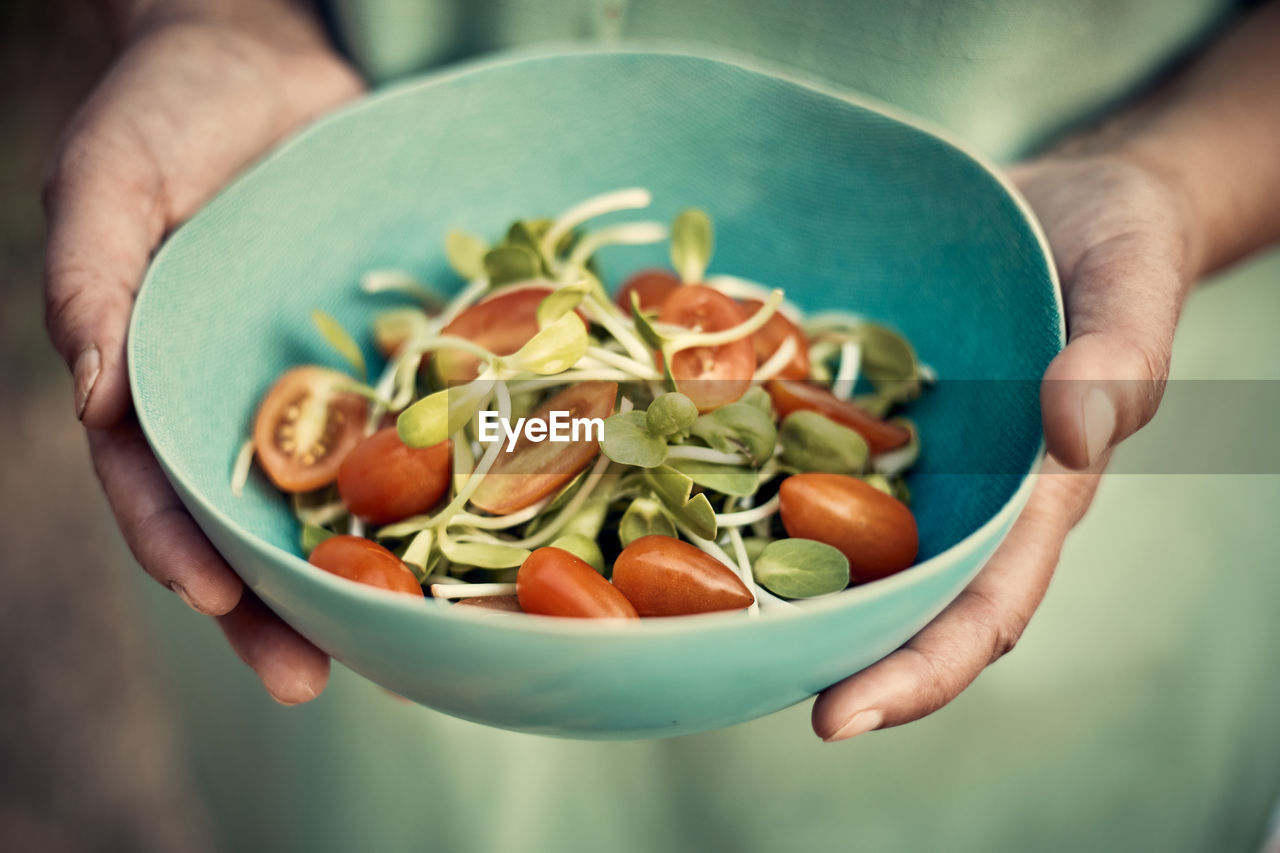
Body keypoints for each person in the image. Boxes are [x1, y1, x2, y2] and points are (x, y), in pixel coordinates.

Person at [42, 6, 1280, 847]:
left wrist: (1169, 172)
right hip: (401, 681)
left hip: (1068, 382)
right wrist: (211, 16)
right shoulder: (485, 401)